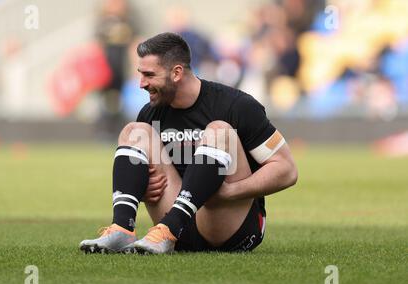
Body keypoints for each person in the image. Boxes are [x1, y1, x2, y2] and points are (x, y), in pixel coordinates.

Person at [79, 32, 298, 254]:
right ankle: (122, 230)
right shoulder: (151, 113)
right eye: (140, 74)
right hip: (180, 230)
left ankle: (170, 228)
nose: (141, 84)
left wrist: (231, 191)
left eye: (149, 75)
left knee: (219, 131)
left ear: (176, 73)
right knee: (134, 131)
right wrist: (141, 187)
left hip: (229, 227)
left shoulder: (236, 105)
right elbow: (145, 177)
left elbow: (286, 170)